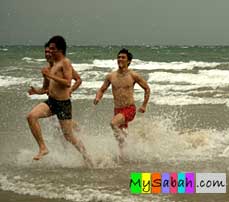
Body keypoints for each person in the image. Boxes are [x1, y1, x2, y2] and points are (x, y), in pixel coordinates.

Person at [26, 36, 92, 166]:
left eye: (52, 49)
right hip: (51, 102)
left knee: (68, 136)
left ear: (59, 50)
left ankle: (87, 156)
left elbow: (68, 82)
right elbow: (46, 88)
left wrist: (50, 75)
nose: (49, 51)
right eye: (48, 49)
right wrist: (36, 91)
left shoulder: (65, 63)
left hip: (63, 104)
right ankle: (43, 148)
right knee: (31, 116)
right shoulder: (52, 65)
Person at [94, 48, 150, 161]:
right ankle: (125, 157)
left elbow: (147, 89)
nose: (120, 59)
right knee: (120, 138)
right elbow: (102, 89)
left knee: (113, 123)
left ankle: (129, 146)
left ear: (128, 61)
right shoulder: (111, 76)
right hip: (117, 110)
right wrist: (98, 97)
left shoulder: (133, 75)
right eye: (119, 57)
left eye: (123, 57)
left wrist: (144, 105)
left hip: (129, 109)